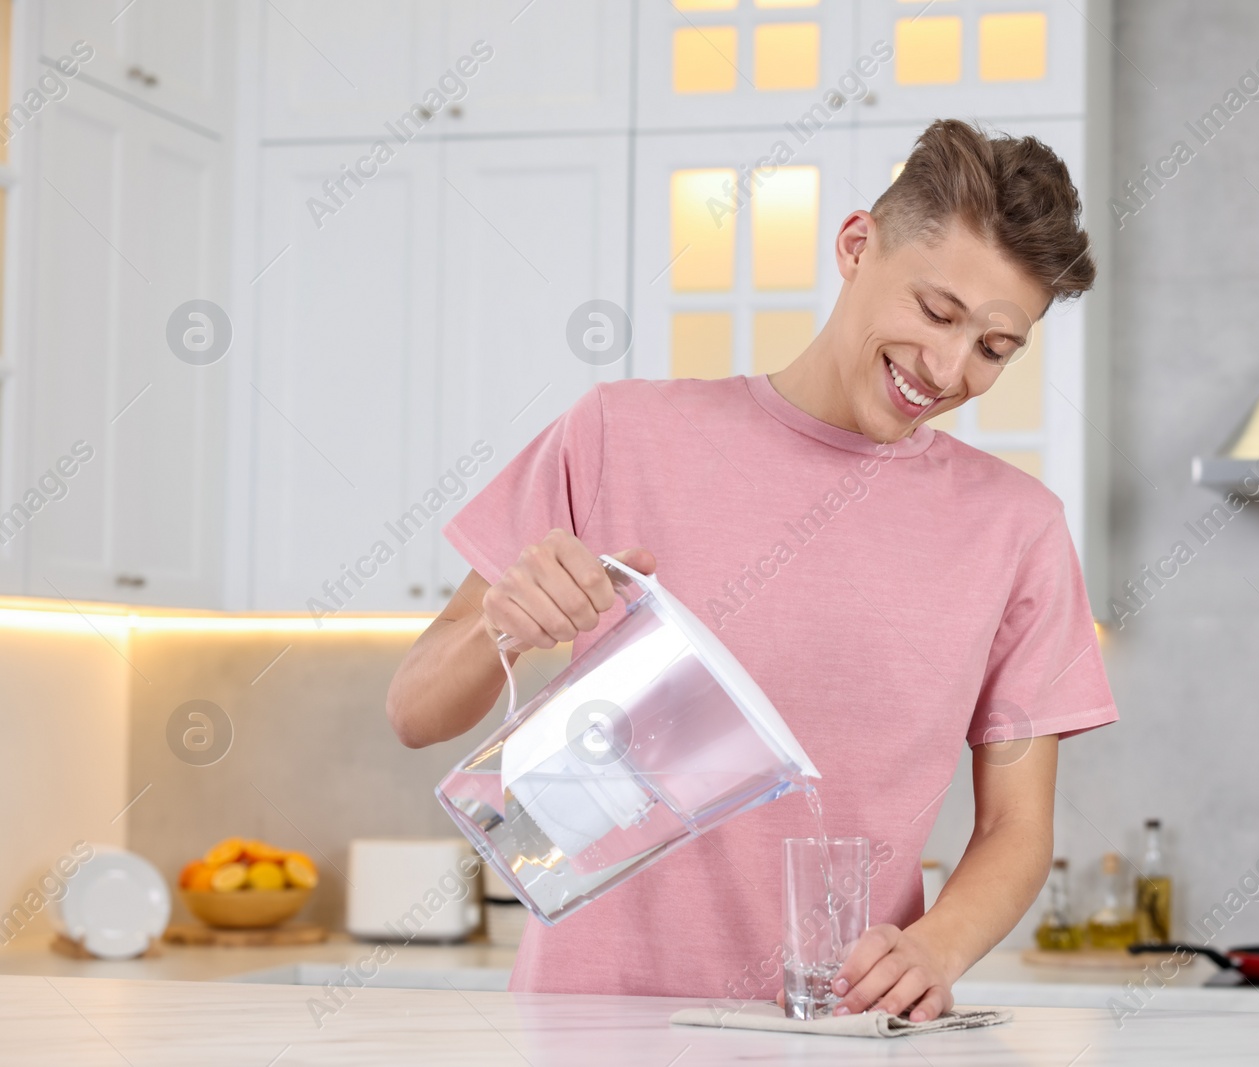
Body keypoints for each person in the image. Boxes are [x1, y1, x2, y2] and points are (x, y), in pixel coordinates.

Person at [387, 118, 1117, 1021]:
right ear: (857, 245)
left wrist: (935, 946)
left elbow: (1015, 826)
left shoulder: (1018, 529)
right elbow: (414, 711)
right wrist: (509, 619)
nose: (947, 367)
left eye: (995, 348)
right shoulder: (620, 434)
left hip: (833, 1031)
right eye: (935, 312)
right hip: (588, 1025)